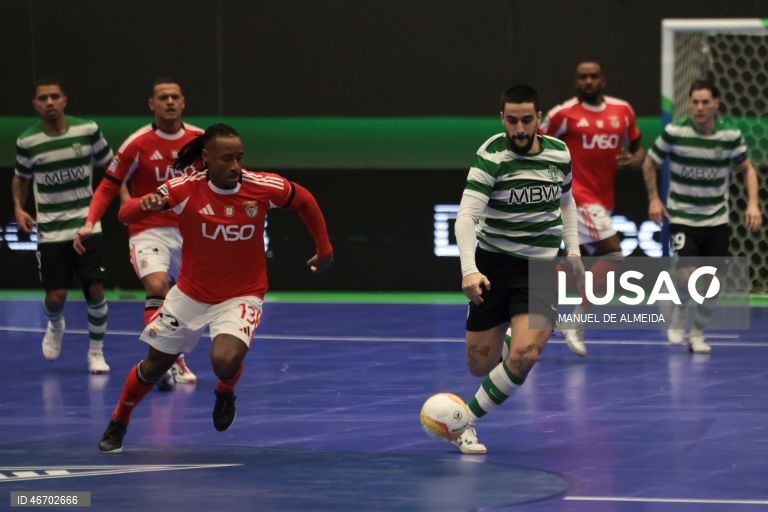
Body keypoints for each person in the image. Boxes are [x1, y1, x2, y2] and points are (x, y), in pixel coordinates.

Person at [98, 123, 334, 453]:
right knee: (154, 366)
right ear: (207, 158)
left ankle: (225, 392)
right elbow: (125, 213)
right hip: (190, 294)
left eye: (239, 157)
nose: (235, 166)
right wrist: (145, 204)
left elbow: (305, 200)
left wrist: (324, 250)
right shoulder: (182, 188)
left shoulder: (261, 186)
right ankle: (119, 420)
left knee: (224, 361)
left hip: (243, 293)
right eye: (227, 159)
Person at [453, 85, 584, 454]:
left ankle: (465, 422)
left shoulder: (559, 154)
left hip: (541, 267)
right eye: (512, 121)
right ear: (502, 119)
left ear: (539, 118)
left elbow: (567, 202)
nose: (520, 129)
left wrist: (572, 250)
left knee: (526, 356)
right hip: (494, 265)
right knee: (480, 366)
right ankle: (511, 338)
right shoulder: (492, 156)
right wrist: (469, 270)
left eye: (527, 120)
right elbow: (466, 218)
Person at [75, 78, 202, 388]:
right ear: (152, 104)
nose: (169, 101)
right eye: (163, 97)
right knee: (157, 287)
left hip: (191, 232)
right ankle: (162, 363)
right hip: (149, 230)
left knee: (184, 301)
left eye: (175, 96)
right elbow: (109, 184)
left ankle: (175, 357)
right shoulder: (137, 143)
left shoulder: (201, 140)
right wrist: (90, 222)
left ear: (183, 102)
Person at [642, 79, 762, 354]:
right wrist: (653, 199)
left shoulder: (730, 137)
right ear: (689, 104)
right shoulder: (674, 132)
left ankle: (696, 333)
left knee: (713, 284)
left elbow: (748, 169)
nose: (699, 107)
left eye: (705, 102)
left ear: (716, 104)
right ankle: (680, 310)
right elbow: (650, 162)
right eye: (694, 102)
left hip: (716, 218)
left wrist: (753, 203)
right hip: (683, 216)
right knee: (687, 277)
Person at [540, 60, 644, 357]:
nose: (588, 81)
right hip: (576, 195)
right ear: (575, 82)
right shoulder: (563, 114)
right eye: (582, 77)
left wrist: (636, 159)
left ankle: (533, 310)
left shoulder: (622, 111)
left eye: (593, 76)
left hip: (603, 199)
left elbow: (637, 147)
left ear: (603, 80)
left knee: (575, 264)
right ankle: (576, 320)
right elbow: (538, 145)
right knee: (613, 256)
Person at [12, 79, 113, 374]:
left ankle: (96, 352)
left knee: (94, 290)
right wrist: (19, 208)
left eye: (55, 96)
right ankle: (55, 324)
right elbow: (21, 178)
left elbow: (113, 167)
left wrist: (124, 201)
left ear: (65, 100)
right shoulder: (27, 142)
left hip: (86, 225)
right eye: (43, 98)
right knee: (56, 297)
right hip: (51, 230)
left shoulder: (88, 130)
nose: (49, 102)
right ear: (36, 105)